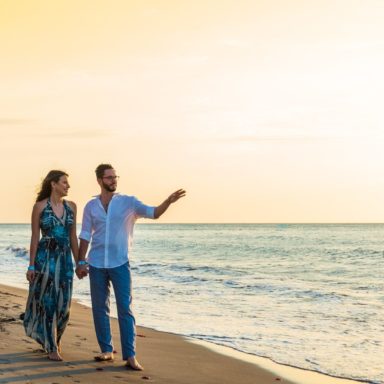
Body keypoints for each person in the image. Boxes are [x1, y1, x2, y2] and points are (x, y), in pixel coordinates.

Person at [76, 164, 185, 370]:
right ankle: (106, 350)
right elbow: (85, 235)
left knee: (125, 309)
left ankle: (130, 355)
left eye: (115, 177)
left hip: (120, 263)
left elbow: (154, 213)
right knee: (100, 309)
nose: (113, 180)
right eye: (109, 178)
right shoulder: (91, 206)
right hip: (96, 263)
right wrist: (81, 262)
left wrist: (168, 202)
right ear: (99, 180)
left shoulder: (128, 202)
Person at [24, 170, 78, 361]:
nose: (68, 186)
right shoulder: (39, 207)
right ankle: (52, 346)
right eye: (64, 182)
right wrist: (31, 266)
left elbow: (73, 237)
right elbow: (34, 237)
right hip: (45, 259)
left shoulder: (72, 207)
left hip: (65, 261)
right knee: (48, 302)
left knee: (64, 305)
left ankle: (55, 339)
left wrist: (79, 261)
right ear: (53, 184)